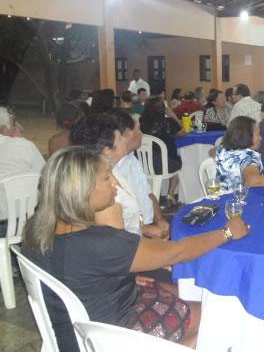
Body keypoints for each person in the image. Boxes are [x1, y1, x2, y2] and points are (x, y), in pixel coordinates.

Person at [22, 146, 249, 350]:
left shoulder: (37, 227)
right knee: (222, 316)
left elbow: (81, 270)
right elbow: (177, 251)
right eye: (106, 178)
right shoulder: (101, 243)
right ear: (82, 191)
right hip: (112, 337)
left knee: (176, 290)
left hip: (74, 329)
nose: (115, 183)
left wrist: (118, 278)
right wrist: (227, 232)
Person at [111, 108, 170, 239]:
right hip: (128, 235)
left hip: (148, 226)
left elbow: (148, 193)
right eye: (138, 130)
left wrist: (159, 219)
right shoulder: (110, 170)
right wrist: (144, 229)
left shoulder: (131, 158)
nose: (142, 133)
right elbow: (120, 216)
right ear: (126, 134)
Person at [215, 116, 264, 190]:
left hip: (221, 196)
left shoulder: (222, 149)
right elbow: (252, 180)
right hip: (241, 199)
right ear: (247, 136)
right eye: (257, 134)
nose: (260, 138)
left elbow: (211, 151)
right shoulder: (249, 156)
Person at [0, 107, 46, 223]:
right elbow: (45, 176)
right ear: (4, 128)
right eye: (12, 127)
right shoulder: (25, 146)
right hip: (23, 221)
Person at [140, 97, 184, 205]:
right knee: (178, 163)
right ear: (163, 109)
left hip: (145, 163)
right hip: (165, 163)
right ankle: (170, 194)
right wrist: (172, 115)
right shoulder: (168, 121)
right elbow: (183, 132)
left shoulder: (142, 122)